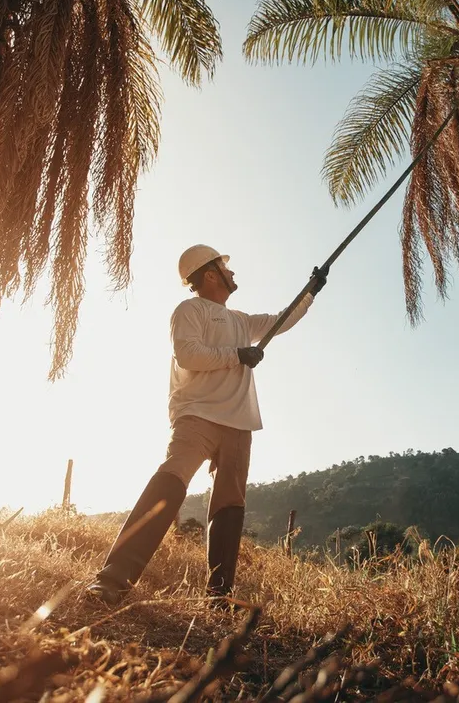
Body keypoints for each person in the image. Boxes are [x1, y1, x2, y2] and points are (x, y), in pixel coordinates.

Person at [87, 244, 327, 606]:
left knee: (230, 503)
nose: (232, 274)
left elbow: (282, 319)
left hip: (238, 423)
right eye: (225, 268)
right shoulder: (189, 310)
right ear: (210, 274)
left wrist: (310, 291)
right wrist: (237, 355)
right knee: (171, 480)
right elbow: (188, 354)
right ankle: (113, 579)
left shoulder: (242, 321)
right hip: (197, 415)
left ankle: (219, 596)